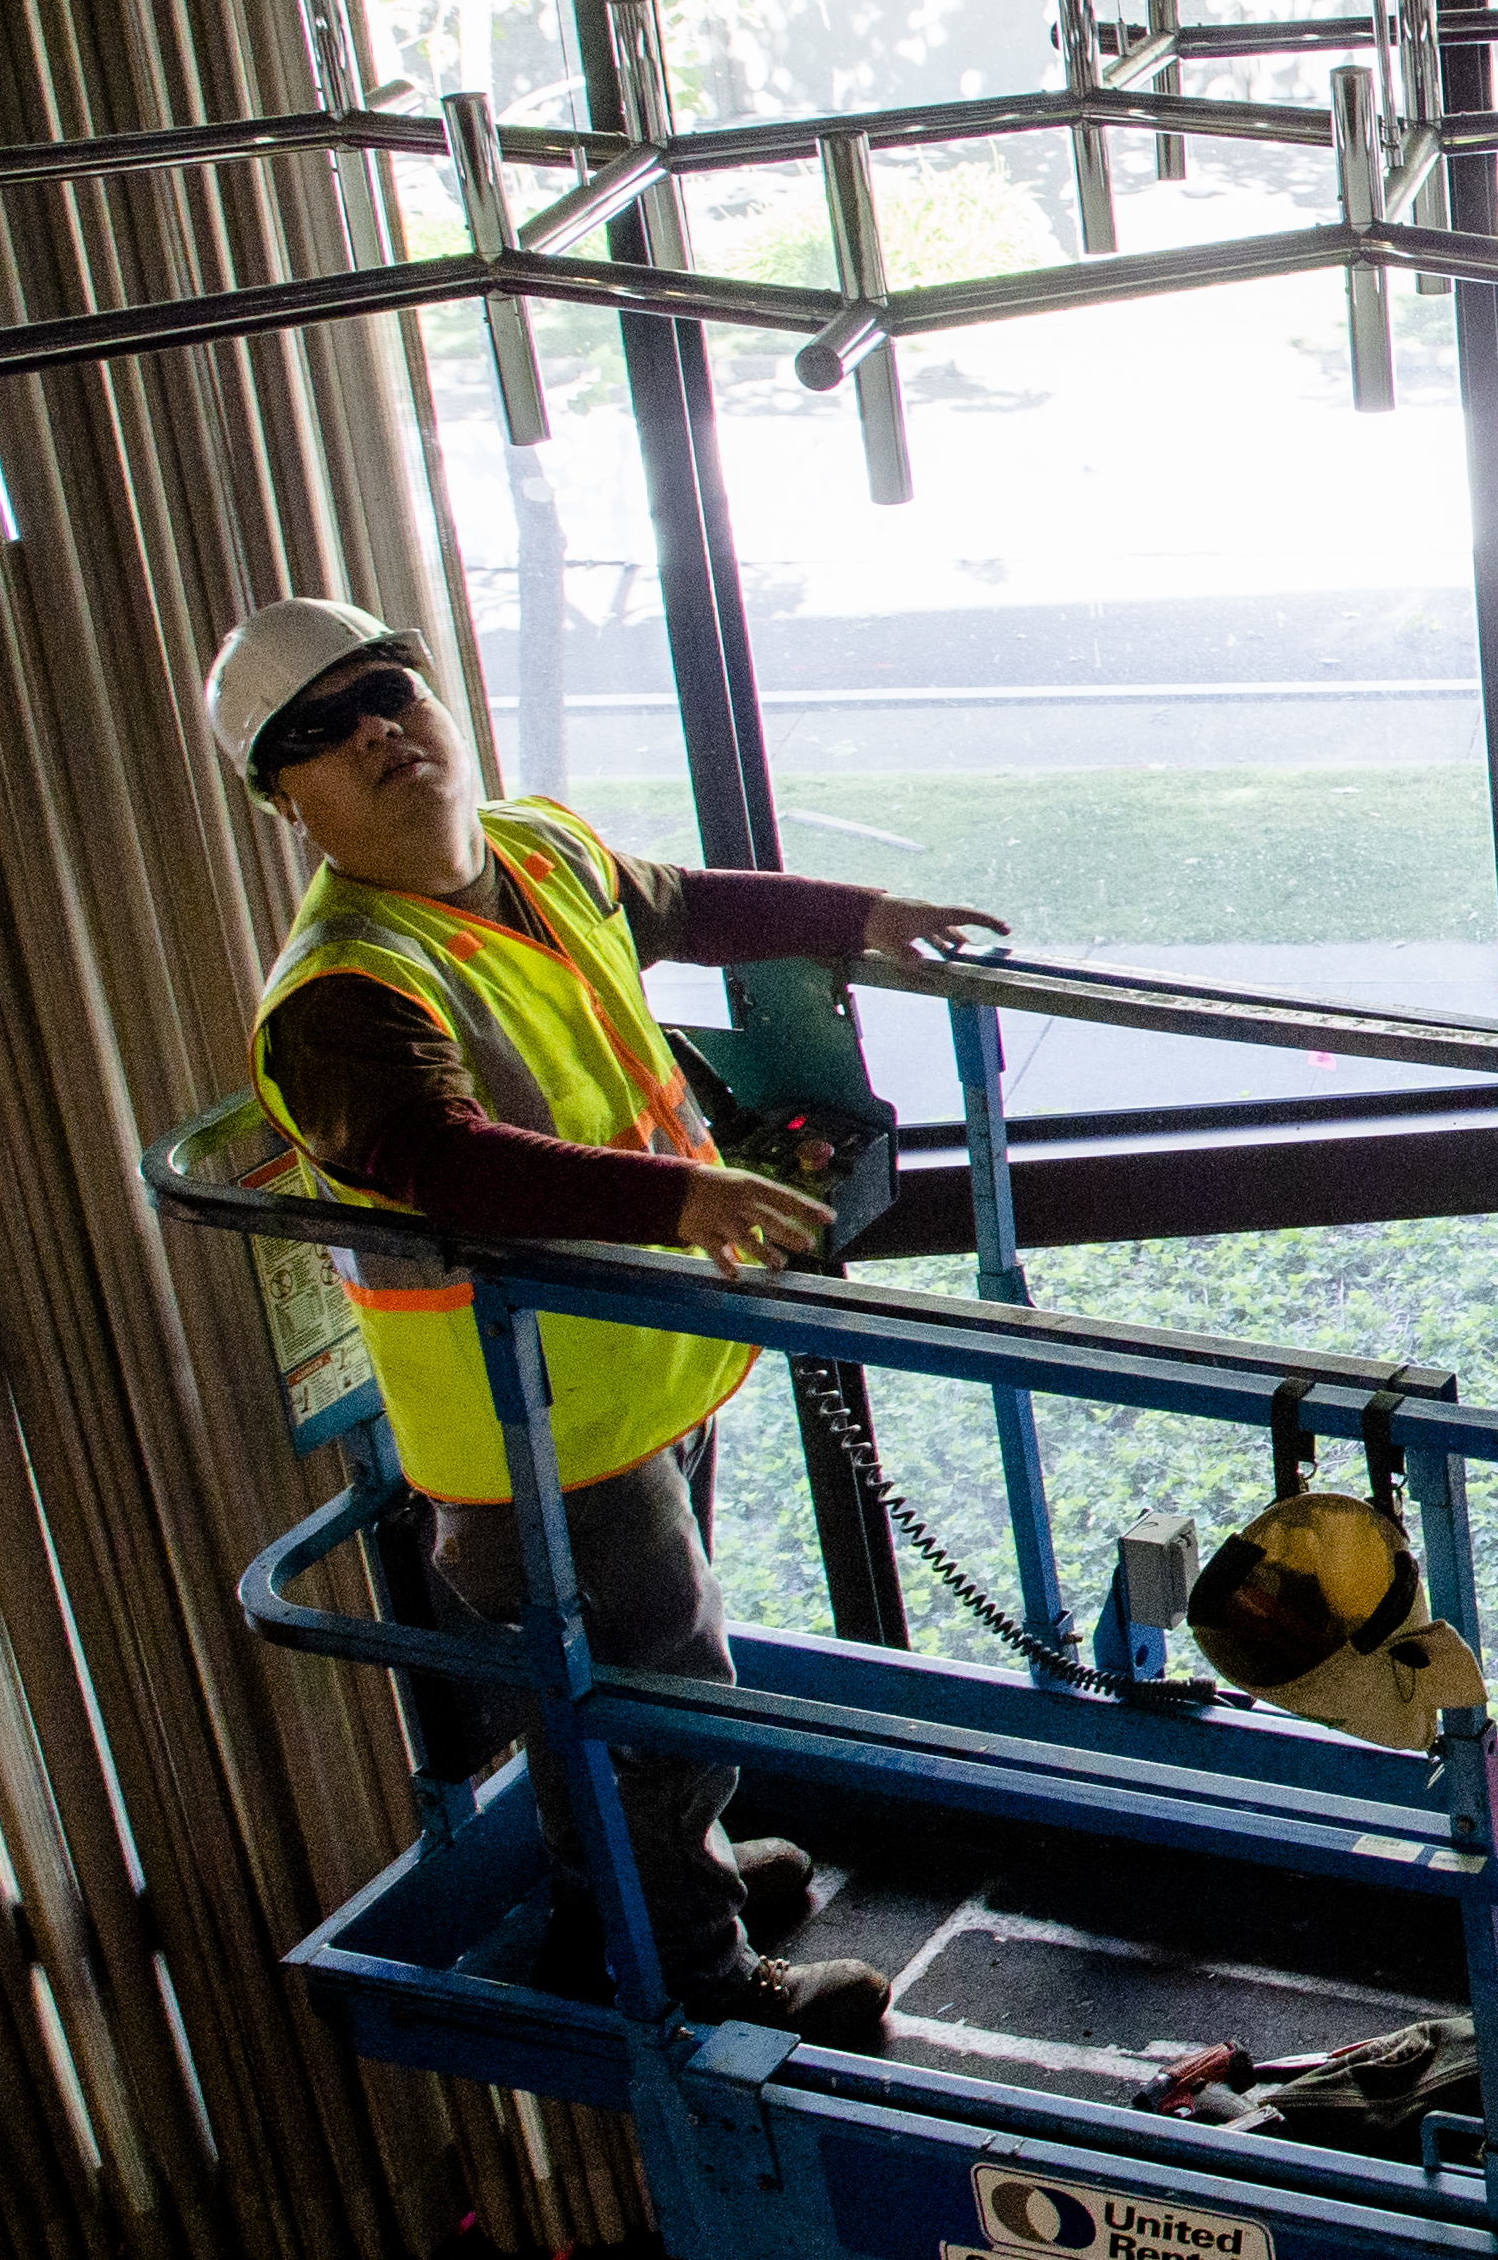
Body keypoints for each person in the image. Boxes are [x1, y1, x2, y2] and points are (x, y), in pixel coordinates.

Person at [203, 596, 1007, 2047]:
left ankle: (628, 1898)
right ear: (284, 797)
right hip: (528, 1431)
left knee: (629, 1689)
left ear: (439, 699)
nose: (376, 731)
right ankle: (694, 1968)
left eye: (386, 690)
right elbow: (441, 1159)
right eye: (318, 731)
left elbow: (683, 902)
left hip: (627, 1370)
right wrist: (681, 1201)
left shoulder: (538, 847)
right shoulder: (340, 993)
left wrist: (857, 920)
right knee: (656, 1703)